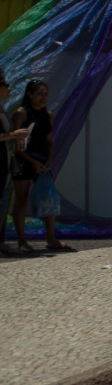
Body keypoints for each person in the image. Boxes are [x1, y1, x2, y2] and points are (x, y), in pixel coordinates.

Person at [10, 80, 71, 253]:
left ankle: (51, 238)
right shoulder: (21, 113)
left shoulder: (47, 114)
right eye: (39, 93)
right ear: (29, 94)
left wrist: (48, 160)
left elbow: (48, 140)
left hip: (42, 160)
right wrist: (32, 162)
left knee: (48, 198)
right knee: (21, 199)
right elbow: (16, 144)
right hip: (23, 159)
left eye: (45, 93)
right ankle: (22, 240)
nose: (43, 97)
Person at [0, 74, 31, 255]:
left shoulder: (3, 110)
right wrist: (13, 135)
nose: (9, 88)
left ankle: (1, 239)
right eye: (5, 85)